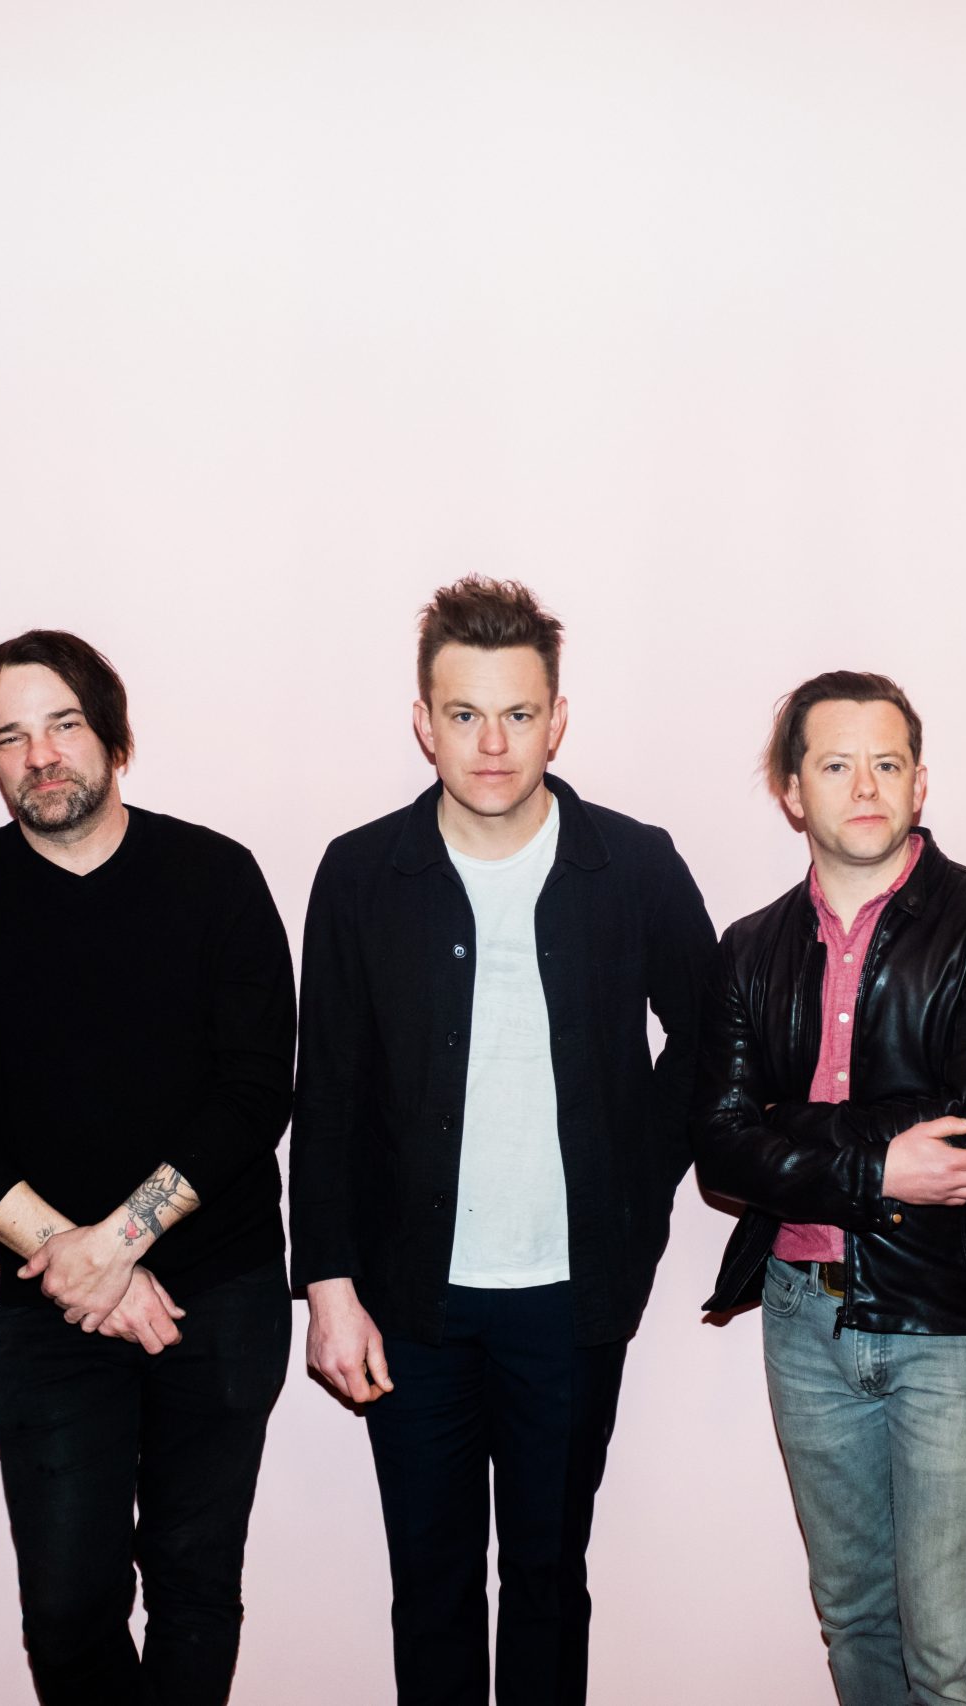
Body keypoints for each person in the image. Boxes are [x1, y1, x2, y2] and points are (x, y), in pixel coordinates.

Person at [289, 577, 715, 1706]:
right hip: (408, 1300)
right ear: (422, 722)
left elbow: (713, 1036)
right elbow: (324, 1092)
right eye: (465, 714)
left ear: (557, 719)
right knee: (430, 1586)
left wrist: (635, 1178)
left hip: (571, 1299)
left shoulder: (634, 863)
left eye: (518, 714)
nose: (492, 743)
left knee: (546, 1578)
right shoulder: (359, 873)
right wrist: (328, 1285)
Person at [0, 629, 295, 1705]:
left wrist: (119, 1242)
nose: (41, 754)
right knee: (67, 1607)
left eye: (63, 723)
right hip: (49, 1300)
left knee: (196, 1588)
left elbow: (256, 1087)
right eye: (10, 736)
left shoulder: (215, 876)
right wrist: (77, 1262)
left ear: (112, 734)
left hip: (224, 1290)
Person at [692, 671, 966, 1706]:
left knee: (950, 1651)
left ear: (919, 782)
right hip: (802, 1317)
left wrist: (787, 1128)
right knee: (853, 1621)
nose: (864, 785)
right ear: (791, 790)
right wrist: (879, 1163)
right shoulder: (748, 948)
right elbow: (718, 1151)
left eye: (887, 763)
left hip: (950, 1323)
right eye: (836, 763)